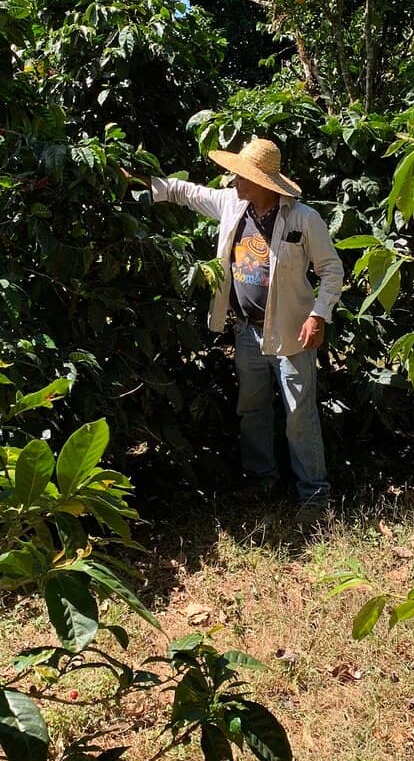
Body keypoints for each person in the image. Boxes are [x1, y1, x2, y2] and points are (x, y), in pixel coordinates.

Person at [131, 137, 343, 511]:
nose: (234, 181)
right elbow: (186, 192)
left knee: (299, 415)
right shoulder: (233, 204)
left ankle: (314, 495)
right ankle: (262, 482)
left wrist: (318, 314)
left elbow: (331, 270)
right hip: (247, 330)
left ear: (263, 182)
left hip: (292, 333)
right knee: (253, 408)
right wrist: (136, 181)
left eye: (242, 176)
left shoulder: (303, 218)